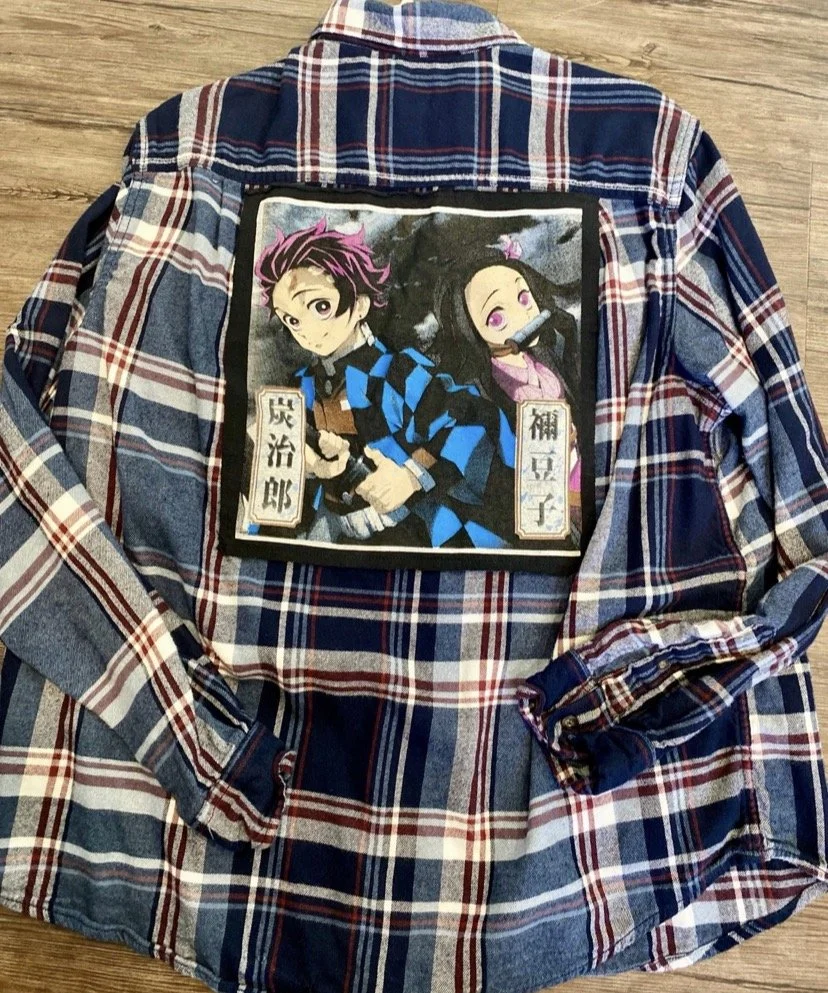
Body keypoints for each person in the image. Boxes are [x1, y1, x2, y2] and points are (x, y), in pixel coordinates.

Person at [251, 216, 519, 548]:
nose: (305, 329)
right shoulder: (301, 386)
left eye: (320, 306)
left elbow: (468, 421)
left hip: (416, 531)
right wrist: (308, 466)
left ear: (360, 304)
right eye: (292, 319)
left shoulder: (397, 371)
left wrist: (411, 477)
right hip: (336, 539)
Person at [432, 237, 583, 539]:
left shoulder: (542, 355)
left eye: (524, 299)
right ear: (469, 329)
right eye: (497, 317)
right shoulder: (481, 390)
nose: (523, 316)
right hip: (543, 500)